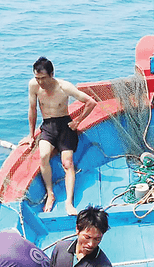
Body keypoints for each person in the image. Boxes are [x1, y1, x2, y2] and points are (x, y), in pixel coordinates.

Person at [26, 57, 97, 215]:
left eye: (43, 78)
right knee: (43, 156)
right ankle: (50, 194)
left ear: (52, 74)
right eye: (37, 78)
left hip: (65, 126)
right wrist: (31, 135)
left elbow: (91, 102)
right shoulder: (33, 85)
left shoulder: (64, 87)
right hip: (48, 126)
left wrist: (78, 121)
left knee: (67, 163)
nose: (40, 82)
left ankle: (69, 202)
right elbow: (32, 109)